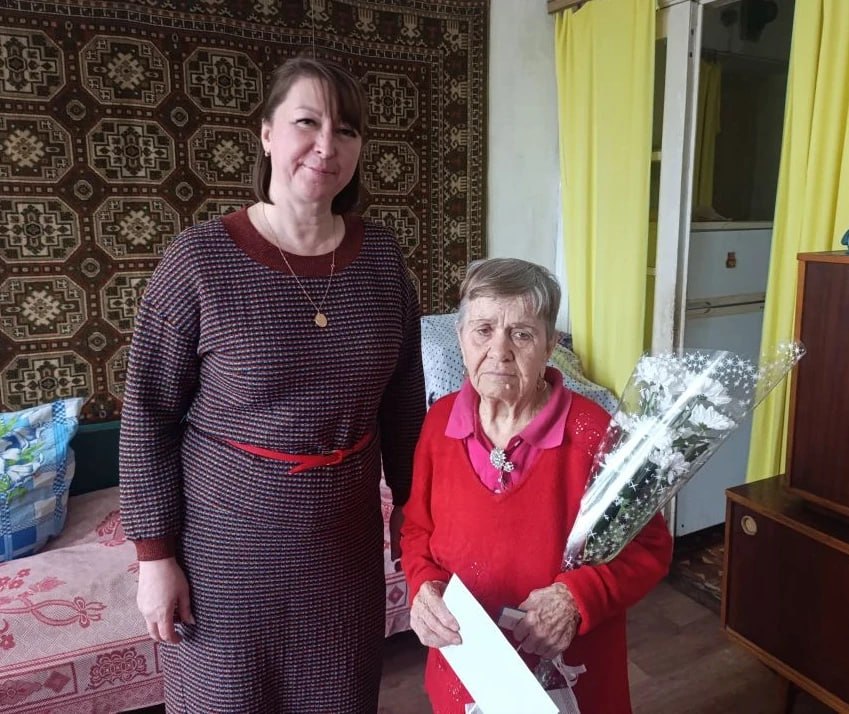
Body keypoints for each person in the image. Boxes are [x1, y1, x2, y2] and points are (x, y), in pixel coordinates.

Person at [119, 55, 425, 713]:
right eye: (307, 123)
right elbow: (148, 415)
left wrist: (411, 504)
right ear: (265, 134)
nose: (326, 145)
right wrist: (155, 557)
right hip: (225, 556)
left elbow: (404, 400)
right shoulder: (198, 260)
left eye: (346, 130)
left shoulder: (381, 259)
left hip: (343, 554)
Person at [400, 258, 672, 714]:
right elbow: (417, 530)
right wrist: (423, 584)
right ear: (461, 339)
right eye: (483, 330)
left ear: (549, 345)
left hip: (569, 677)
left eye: (522, 334)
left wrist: (576, 598)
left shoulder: (593, 432)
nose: (499, 351)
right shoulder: (439, 422)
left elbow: (651, 547)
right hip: (466, 669)